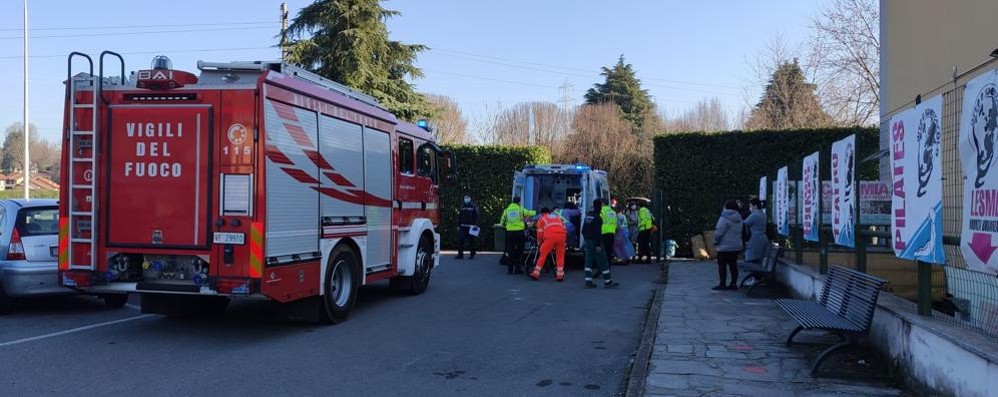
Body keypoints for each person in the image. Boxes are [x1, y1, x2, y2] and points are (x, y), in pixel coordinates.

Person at [582, 199, 619, 289]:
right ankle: (608, 281)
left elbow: (583, 230)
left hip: (587, 242)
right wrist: (598, 244)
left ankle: (588, 282)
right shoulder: (598, 218)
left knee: (588, 262)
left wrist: (586, 240)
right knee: (603, 261)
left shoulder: (588, 216)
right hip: (595, 242)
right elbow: (598, 233)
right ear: (600, 206)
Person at [499, 196, 535, 275]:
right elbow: (529, 213)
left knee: (510, 250)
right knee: (519, 251)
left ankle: (510, 269)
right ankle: (517, 269)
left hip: (510, 233)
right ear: (518, 202)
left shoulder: (506, 210)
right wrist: (536, 212)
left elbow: (502, 221)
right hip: (519, 233)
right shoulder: (520, 209)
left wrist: (505, 225)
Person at [530, 207, 567, 282]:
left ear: (542, 213)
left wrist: (539, 242)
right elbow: (564, 228)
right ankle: (560, 276)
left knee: (543, 253)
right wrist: (564, 240)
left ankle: (535, 274)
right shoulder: (557, 217)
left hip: (550, 237)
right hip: (562, 236)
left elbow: (540, 233)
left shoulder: (541, 220)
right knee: (560, 255)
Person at [713, 199, 743, 291]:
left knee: (722, 265)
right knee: (733, 265)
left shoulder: (724, 218)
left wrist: (715, 241)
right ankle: (733, 284)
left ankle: (722, 284)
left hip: (724, 246)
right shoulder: (739, 218)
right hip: (736, 245)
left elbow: (719, 232)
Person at [743, 198, 769, 264]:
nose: (750, 208)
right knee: (759, 259)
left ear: (755, 206)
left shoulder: (754, 215)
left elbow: (744, 223)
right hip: (762, 238)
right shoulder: (763, 214)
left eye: (750, 206)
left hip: (754, 239)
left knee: (752, 259)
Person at [456, 195, 479, 260]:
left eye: (467, 198)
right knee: (460, 241)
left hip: (471, 226)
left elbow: (476, 216)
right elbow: (459, 216)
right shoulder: (462, 206)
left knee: (471, 241)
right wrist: (458, 225)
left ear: (470, 198)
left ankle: (472, 255)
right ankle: (460, 255)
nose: (466, 199)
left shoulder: (473, 206)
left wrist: (475, 224)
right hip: (463, 226)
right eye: (465, 198)